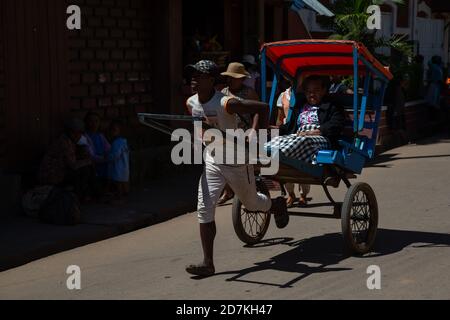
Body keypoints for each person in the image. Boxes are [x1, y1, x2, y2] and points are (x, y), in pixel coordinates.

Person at [184, 60, 288, 277]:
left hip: (237, 160)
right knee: (204, 207)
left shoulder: (226, 103)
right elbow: (198, 125)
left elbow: (262, 107)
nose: (193, 78)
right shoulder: (191, 102)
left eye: (199, 75)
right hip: (212, 159)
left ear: (211, 80)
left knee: (251, 203)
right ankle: (208, 263)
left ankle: (276, 204)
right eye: (192, 74)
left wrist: (255, 132)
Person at [265, 75, 345, 164]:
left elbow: (336, 124)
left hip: (321, 138)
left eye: (316, 90)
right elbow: (289, 126)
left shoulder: (332, 106)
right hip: (299, 136)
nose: (312, 94)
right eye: (308, 91)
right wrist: (274, 129)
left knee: (305, 141)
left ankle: (278, 156)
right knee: (279, 139)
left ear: (323, 91)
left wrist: (313, 132)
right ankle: (264, 153)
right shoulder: (300, 105)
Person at [217, 62, 260, 205]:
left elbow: (257, 112)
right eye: (229, 77)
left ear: (241, 79)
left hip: (245, 133)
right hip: (227, 134)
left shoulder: (249, 93)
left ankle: (249, 190)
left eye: (234, 78)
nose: (231, 80)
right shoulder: (223, 93)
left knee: (246, 165)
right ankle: (228, 191)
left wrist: (253, 130)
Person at [38, 118, 97, 202]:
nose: (80, 136)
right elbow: (73, 165)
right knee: (85, 170)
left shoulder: (69, 141)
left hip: (60, 172)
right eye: (79, 133)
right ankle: (80, 197)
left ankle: (90, 195)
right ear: (72, 133)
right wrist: (88, 161)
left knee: (87, 167)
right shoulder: (64, 143)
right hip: (52, 176)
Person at [276, 84, 311, 208]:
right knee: (286, 164)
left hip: (304, 131)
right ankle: (290, 193)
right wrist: (277, 131)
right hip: (288, 130)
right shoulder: (283, 95)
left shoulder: (307, 93)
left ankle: (303, 195)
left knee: (302, 164)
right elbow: (280, 118)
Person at [84, 112, 111, 183]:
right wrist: (104, 159)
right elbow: (90, 155)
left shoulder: (100, 135)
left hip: (104, 160)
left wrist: (110, 156)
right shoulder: (84, 137)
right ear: (86, 122)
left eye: (96, 121)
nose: (94, 124)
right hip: (93, 163)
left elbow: (108, 148)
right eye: (91, 121)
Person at [107, 119, 130, 201]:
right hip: (123, 167)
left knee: (119, 184)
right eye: (111, 129)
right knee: (123, 182)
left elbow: (115, 155)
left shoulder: (117, 142)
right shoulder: (123, 142)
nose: (111, 132)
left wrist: (107, 157)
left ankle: (120, 199)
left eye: (114, 130)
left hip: (118, 167)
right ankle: (123, 197)